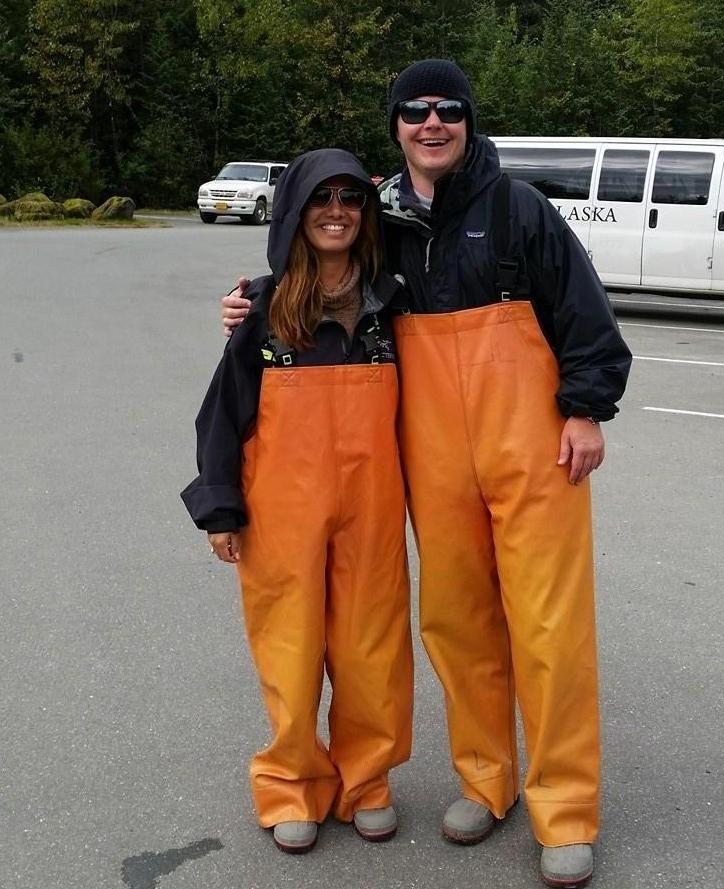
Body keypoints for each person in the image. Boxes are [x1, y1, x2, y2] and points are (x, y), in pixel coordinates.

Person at [222, 61, 631, 888]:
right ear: (397, 125)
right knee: (456, 620)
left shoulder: (518, 209)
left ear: (469, 122)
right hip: (433, 453)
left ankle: (564, 807)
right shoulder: (382, 216)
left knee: (549, 627)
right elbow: (324, 265)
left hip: (534, 445)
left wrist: (586, 407)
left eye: (448, 109)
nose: (431, 122)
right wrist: (255, 298)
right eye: (415, 111)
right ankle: (487, 781)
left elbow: (584, 313)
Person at [183, 149, 413, 855]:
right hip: (281, 511)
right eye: (320, 198)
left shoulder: (393, 305)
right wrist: (220, 508)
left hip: (371, 508)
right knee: (290, 649)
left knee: (372, 647)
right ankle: (291, 783)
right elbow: (223, 413)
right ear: (294, 211)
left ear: (365, 212)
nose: (336, 211)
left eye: (350, 198)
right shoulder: (262, 306)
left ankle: (366, 781)